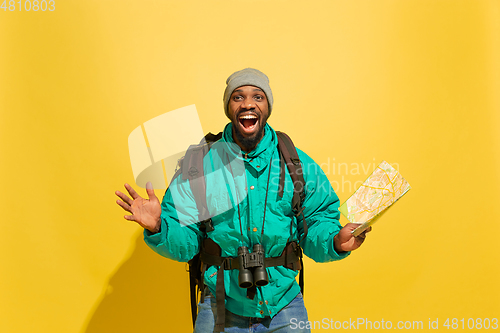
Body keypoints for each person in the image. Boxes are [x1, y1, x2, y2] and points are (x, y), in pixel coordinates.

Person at [115, 68, 370, 332]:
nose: (248, 104)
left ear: (267, 106)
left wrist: (336, 241)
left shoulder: (295, 162)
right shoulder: (199, 165)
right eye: (238, 97)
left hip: (284, 305)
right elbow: (187, 242)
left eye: (257, 97)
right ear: (228, 107)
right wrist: (159, 227)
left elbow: (317, 220)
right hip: (219, 305)